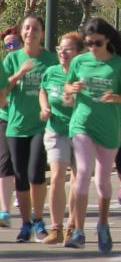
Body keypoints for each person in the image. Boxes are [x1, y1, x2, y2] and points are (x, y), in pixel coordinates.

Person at [63, 18, 121, 253]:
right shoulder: (80, 61)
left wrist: (115, 98)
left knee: (102, 180)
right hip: (82, 124)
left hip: (109, 128)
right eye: (88, 42)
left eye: (97, 42)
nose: (92, 46)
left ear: (107, 40)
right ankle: (79, 231)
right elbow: (67, 88)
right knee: (82, 173)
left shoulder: (119, 65)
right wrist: (71, 90)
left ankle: (103, 224)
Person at [3, 14, 58, 242]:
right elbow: (3, 92)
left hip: (41, 125)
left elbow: (58, 85)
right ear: (21, 32)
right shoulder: (12, 59)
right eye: (26, 28)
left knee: (36, 173)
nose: (30, 32)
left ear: (42, 33)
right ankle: (25, 224)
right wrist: (19, 74)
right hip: (16, 126)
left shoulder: (51, 60)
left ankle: (38, 221)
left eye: (35, 29)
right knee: (20, 176)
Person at [38, 32, 83, 244]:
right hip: (55, 129)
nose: (63, 53)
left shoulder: (84, 75)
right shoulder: (51, 72)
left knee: (77, 180)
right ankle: (55, 228)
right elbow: (43, 91)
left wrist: (75, 100)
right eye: (60, 49)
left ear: (79, 52)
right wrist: (45, 107)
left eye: (68, 49)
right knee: (56, 176)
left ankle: (72, 227)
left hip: (81, 131)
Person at [0, 26, 21, 228]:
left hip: (25, 120)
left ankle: (22, 193)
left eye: (15, 43)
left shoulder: (31, 62)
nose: (11, 47)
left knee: (20, 163)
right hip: (5, 117)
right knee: (5, 162)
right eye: (8, 45)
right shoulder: (5, 63)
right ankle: (4, 211)